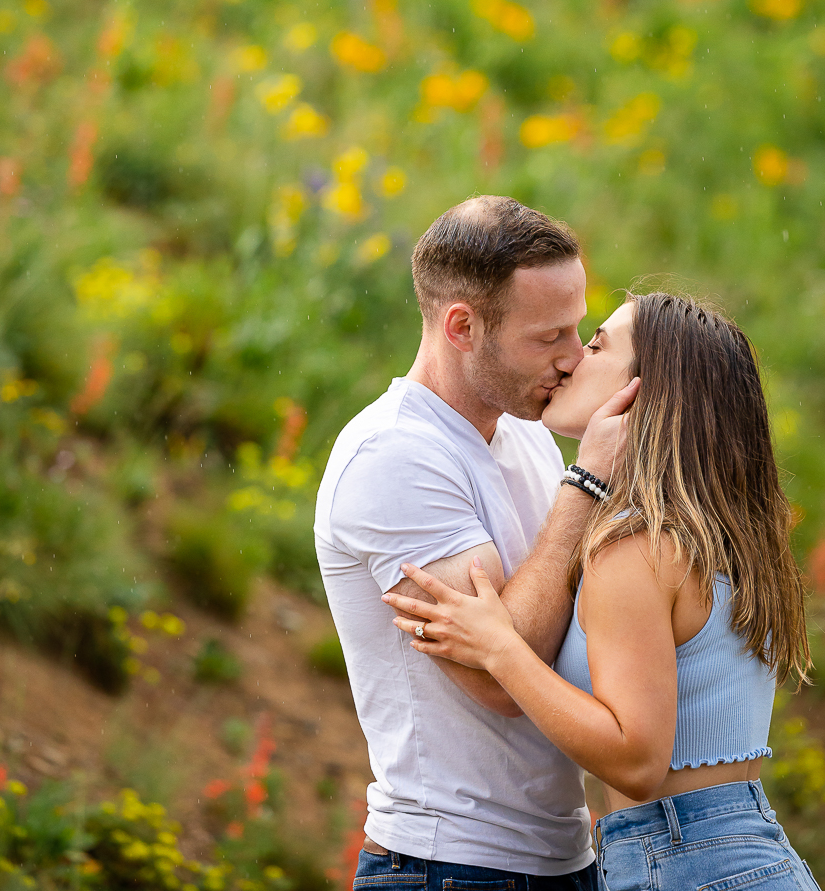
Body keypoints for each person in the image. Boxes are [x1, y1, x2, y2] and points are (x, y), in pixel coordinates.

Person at [384, 293, 818, 890]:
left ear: (645, 391)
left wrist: (500, 650)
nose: (570, 360)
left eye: (595, 346)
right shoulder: (710, 532)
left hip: (685, 859)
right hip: (735, 852)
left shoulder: (636, 548)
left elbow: (637, 762)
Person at [314, 196, 638, 891]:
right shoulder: (393, 455)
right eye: (546, 336)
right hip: (450, 865)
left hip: (560, 858)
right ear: (462, 326)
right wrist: (586, 485)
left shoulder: (525, 433)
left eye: (577, 329)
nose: (572, 357)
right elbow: (497, 679)